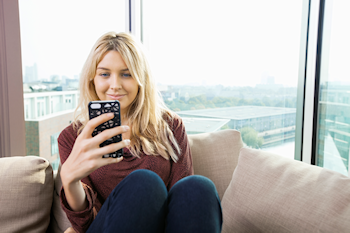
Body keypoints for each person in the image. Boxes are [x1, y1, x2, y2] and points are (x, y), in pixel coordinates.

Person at [58, 31, 222, 233]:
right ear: (92, 78)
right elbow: (83, 224)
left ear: (140, 79)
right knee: (144, 183)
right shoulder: (72, 137)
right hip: (105, 227)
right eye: (104, 74)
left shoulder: (170, 127)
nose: (115, 85)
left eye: (126, 74)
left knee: (199, 187)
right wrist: (70, 180)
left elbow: (183, 202)